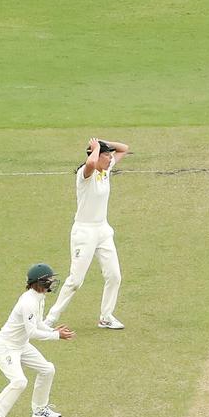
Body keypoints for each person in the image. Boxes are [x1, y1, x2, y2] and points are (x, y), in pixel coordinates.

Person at [44, 138, 130, 331]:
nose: (110, 159)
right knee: (75, 281)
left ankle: (106, 317)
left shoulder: (105, 170)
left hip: (103, 230)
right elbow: (91, 163)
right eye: (106, 155)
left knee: (114, 276)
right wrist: (96, 149)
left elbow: (124, 149)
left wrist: (103, 142)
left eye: (110, 155)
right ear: (96, 156)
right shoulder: (85, 174)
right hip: (84, 232)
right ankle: (49, 320)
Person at [0, 264, 75, 417]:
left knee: (47, 369)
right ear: (40, 282)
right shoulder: (28, 301)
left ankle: (39, 409)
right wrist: (57, 336)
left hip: (21, 345)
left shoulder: (39, 297)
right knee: (19, 382)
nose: (52, 281)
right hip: (6, 346)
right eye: (49, 279)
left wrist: (53, 331)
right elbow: (32, 332)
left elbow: (39, 324)